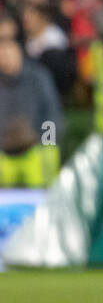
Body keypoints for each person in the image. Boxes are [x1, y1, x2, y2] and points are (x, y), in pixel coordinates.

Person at [0, 17, 62, 188]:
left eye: (7, 51)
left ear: (18, 51)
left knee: (47, 157)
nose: (3, 57)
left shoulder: (38, 77)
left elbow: (51, 114)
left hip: (34, 148)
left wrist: (47, 144)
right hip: (3, 153)